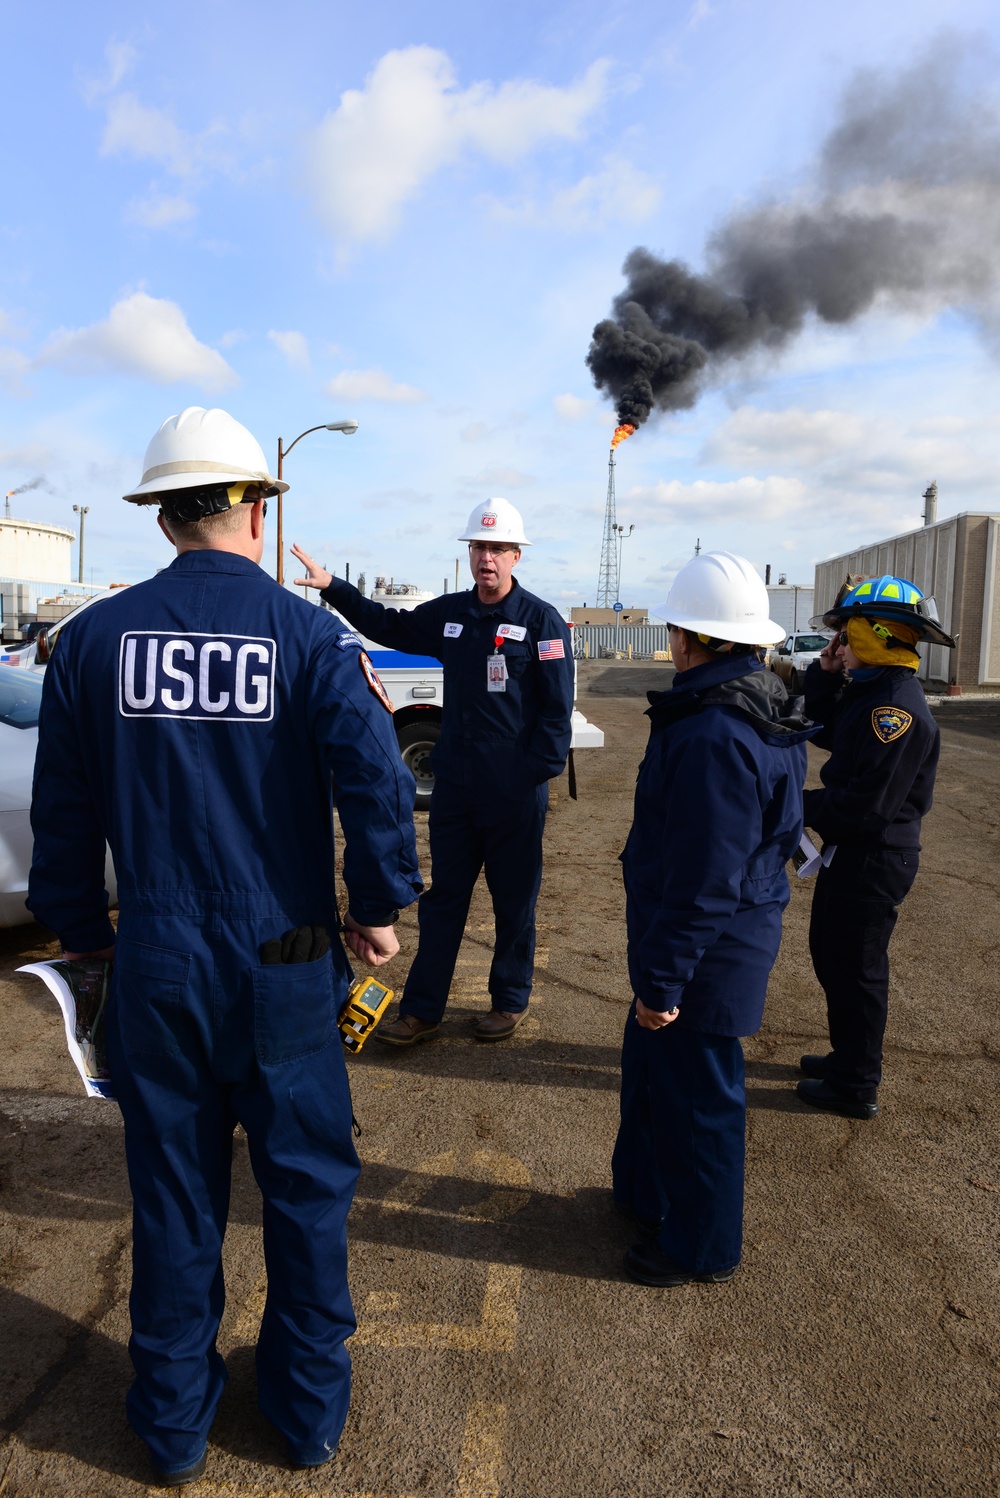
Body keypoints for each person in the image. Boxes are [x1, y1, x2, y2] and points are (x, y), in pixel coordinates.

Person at [28, 406, 421, 1486]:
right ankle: (303, 1418)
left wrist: (83, 932)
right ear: (254, 508)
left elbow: (61, 812)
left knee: (175, 1196)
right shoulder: (310, 638)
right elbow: (377, 780)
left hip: (155, 960)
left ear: (163, 518)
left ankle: (170, 1429)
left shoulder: (95, 640)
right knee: (303, 1190)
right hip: (288, 959)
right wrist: (380, 905)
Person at [290, 497, 574, 1044]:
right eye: (478, 548)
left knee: (515, 902)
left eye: (497, 549)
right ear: (470, 554)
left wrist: (529, 777)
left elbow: (556, 714)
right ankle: (422, 1011)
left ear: (516, 555)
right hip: (456, 790)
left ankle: (509, 1001)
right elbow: (387, 625)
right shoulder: (452, 615)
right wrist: (333, 588)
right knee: (444, 900)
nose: (487, 558)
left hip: (514, 794)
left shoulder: (541, 622)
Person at [612, 550, 812, 1288]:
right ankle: (648, 1196)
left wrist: (663, 983)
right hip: (712, 937)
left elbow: (704, 879)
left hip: (705, 950)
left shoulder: (712, 734)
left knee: (701, 1103)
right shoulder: (753, 705)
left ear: (688, 637)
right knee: (663, 1080)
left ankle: (701, 1247)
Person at [796, 574, 955, 1119]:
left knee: (856, 970)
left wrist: (797, 806)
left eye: (845, 635)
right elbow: (820, 727)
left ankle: (855, 1082)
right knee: (834, 958)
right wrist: (824, 672)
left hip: (875, 857)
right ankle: (847, 1058)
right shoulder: (871, 693)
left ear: (872, 635)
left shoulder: (896, 709)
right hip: (858, 854)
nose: (837, 645)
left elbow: (866, 809)